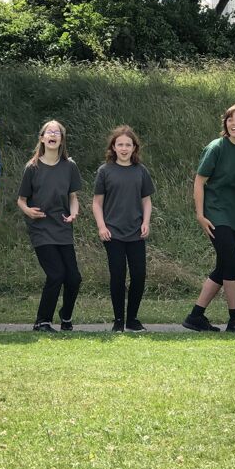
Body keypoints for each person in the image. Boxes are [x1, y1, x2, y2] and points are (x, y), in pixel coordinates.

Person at [182, 103, 235, 333]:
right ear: (225, 123)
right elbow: (199, 182)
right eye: (230, 119)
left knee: (224, 264)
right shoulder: (216, 147)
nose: (234, 123)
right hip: (215, 213)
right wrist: (200, 215)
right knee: (232, 261)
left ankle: (195, 316)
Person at [17, 120, 82, 333]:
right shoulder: (32, 167)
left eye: (57, 132)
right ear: (42, 138)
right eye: (49, 132)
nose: (53, 135)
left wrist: (74, 213)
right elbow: (21, 200)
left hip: (62, 226)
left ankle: (66, 316)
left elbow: (73, 197)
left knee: (73, 278)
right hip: (41, 228)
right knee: (56, 274)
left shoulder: (69, 166)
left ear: (62, 140)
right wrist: (28, 211)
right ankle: (42, 321)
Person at [92, 126, 155, 333]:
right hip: (113, 234)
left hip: (136, 233)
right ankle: (118, 321)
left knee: (139, 275)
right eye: (120, 144)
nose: (124, 148)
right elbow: (97, 203)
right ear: (113, 147)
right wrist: (101, 226)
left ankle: (132, 319)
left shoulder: (141, 171)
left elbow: (146, 201)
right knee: (118, 276)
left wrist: (146, 222)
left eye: (128, 145)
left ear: (134, 148)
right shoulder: (105, 171)